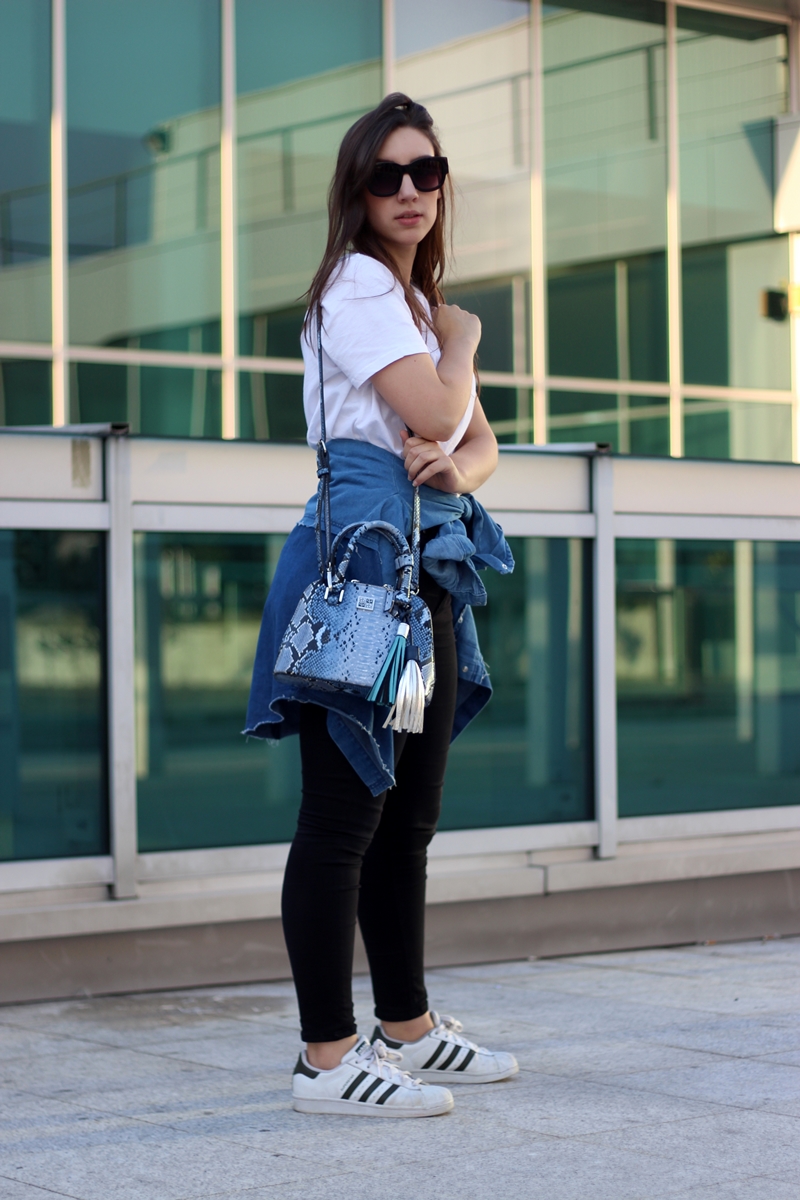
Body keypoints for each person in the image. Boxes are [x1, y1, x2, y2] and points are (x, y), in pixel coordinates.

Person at [245, 93, 517, 1118]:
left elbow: (477, 444)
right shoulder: (359, 287)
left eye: (426, 172)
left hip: (422, 563)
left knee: (408, 816)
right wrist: (464, 340)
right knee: (342, 816)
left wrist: (454, 466)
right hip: (363, 565)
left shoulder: (412, 304)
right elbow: (444, 407)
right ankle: (326, 1058)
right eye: (386, 175)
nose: (409, 190)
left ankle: (406, 1027)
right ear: (356, 192)